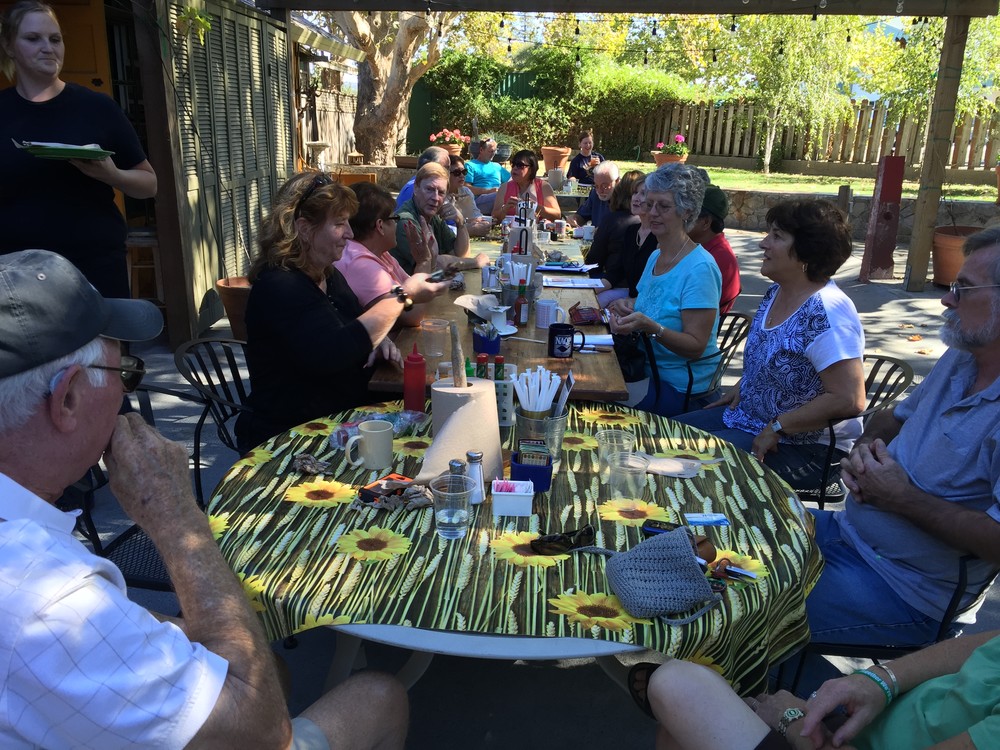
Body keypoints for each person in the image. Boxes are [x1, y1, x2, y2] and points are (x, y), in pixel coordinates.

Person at [0, 248, 409, 749]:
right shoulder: (50, 601)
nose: (126, 394)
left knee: (271, 666)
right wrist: (173, 514)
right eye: (125, 371)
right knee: (379, 693)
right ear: (67, 399)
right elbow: (263, 731)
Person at [801, 226, 1000, 648]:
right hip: (845, 533)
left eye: (963, 289)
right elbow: (893, 418)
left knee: (739, 600)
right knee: (729, 534)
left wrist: (899, 497)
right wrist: (862, 452)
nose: (946, 300)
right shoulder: (964, 354)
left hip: (905, 592)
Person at [236, 172, 446, 452]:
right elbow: (334, 351)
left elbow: (351, 323)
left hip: (341, 419)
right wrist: (403, 296)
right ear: (304, 228)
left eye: (348, 221)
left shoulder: (328, 274)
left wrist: (378, 339)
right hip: (292, 437)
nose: (349, 232)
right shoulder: (280, 285)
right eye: (339, 223)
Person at [676, 200, 866, 490]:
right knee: (657, 436)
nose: (763, 243)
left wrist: (780, 426)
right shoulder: (777, 291)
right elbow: (775, 355)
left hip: (806, 449)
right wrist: (748, 384)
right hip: (750, 418)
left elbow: (849, 399)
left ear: (807, 252)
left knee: (678, 463)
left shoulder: (827, 313)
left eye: (777, 236)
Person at [0, 1, 157, 298]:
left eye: (55, 39)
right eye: (33, 38)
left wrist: (112, 175)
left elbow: (149, 184)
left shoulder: (97, 108)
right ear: (9, 46)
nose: (48, 48)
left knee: (112, 333)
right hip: (18, 277)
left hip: (94, 271)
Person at [629, 629, 1000, 750]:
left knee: (678, 685)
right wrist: (881, 679)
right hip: (857, 729)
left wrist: (793, 722)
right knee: (678, 726)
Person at [607, 164, 721, 417]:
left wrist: (651, 327)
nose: (652, 213)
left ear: (686, 211)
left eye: (664, 206)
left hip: (681, 389)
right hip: (643, 372)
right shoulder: (656, 256)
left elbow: (696, 346)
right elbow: (651, 305)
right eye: (649, 204)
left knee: (595, 402)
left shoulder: (699, 269)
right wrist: (629, 308)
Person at [335, 182, 449, 327]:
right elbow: (412, 315)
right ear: (380, 226)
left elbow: (415, 292)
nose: (397, 224)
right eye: (394, 219)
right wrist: (424, 262)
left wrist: (429, 266)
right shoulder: (360, 264)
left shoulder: (380, 254)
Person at [393, 162, 471, 275]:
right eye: (429, 189)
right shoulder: (405, 222)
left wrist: (460, 222)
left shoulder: (433, 217)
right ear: (416, 188)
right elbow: (436, 264)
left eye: (441, 192)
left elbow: (460, 254)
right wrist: (477, 262)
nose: (435, 198)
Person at [585, 169, 644, 306]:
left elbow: (594, 262)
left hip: (627, 291)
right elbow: (618, 270)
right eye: (635, 193)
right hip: (618, 285)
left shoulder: (617, 221)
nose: (637, 198)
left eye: (643, 194)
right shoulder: (634, 228)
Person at [688, 185, 741, 314]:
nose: (680, 218)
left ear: (705, 222)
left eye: (689, 214)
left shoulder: (714, 258)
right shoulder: (707, 248)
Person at [490, 149, 562, 223]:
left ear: (531, 169)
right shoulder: (504, 188)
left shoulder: (543, 187)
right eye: (513, 164)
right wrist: (505, 209)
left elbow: (557, 215)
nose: (515, 168)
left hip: (537, 229)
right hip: (511, 229)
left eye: (520, 165)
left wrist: (535, 207)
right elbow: (494, 218)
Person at [447, 155, 492, 238]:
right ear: (446, 174)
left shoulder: (466, 191)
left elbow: (476, 214)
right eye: (457, 173)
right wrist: (470, 228)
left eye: (464, 172)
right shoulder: (439, 195)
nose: (462, 176)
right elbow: (446, 228)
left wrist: (481, 221)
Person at [464, 138, 510, 213]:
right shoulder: (470, 165)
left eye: (494, 151)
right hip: (479, 200)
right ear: (481, 150)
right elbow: (466, 188)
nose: (493, 154)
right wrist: (488, 191)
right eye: (490, 151)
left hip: (497, 196)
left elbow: (512, 180)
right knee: (499, 196)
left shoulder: (497, 166)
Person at [571, 160, 619, 228]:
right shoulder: (594, 194)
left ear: (617, 181)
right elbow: (582, 216)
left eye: (604, 186)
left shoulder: (625, 198)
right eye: (596, 186)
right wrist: (574, 220)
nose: (599, 191)